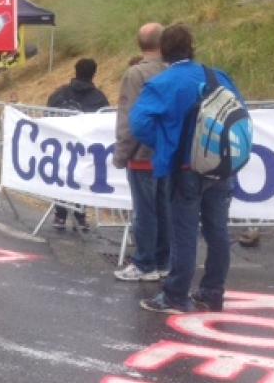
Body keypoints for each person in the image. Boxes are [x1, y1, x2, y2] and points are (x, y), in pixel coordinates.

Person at [132, 24, 244, 314]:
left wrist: (165, 143)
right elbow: (240, 110)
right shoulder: (218, 76)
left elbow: (140, 124)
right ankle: (212, 292)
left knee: (183, 231)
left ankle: (175, 295)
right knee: (217, 229)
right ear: (192, 47)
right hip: (221, 165)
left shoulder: (163, 83)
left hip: (185, 167)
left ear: (164, 52)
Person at [113, 23, 170, 282]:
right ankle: (163, 260)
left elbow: (130, 118)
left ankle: (145, 262)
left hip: (143, 154)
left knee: (145, 212)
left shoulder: (136, 74)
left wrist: (122, 153)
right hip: (169, 153)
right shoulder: (174, 71)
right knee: (165, 210)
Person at [47, 58, 110, 230]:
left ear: (75, 71)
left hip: (62, 144)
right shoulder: (99, 98)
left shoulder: (59, 94)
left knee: (61, 176)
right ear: (94, 73)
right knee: (82, 178)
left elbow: (48, 112)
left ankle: (60, 215)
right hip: (86, 148)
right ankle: (80, 215)